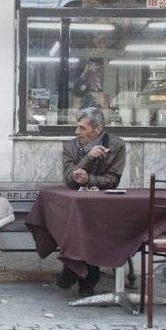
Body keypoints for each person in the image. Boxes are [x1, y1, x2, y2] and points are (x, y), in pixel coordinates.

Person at [58, 106, 126, 295]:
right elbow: (70, 180)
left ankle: (80, 272)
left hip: (105, 205)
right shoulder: (70, 146)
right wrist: (88, 158)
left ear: (98, 130)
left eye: (82, 128)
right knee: (73, 223)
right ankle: (85, 273)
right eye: (77, 127)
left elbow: (113, 180)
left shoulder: (117, 145)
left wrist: (90, 180)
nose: (77, 132)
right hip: (76, 204)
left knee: (97, 225)